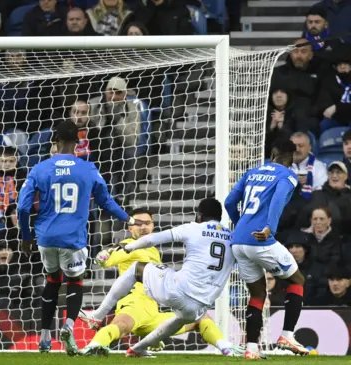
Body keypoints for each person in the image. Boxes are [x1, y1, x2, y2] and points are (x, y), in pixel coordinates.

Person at [17, 120, 135, 355]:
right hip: (73, 238)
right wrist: (128, 219)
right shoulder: (87, 168)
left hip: (46, 237)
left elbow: (22, 207)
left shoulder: (40, 169)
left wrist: (26, 236)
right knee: (75, 281)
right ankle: (69, 327)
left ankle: (44, 338)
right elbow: (105, 201)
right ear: (78, 142)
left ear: (55, 141)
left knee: (52, 281)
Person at [78, 207, 241, 357]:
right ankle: (95, 343)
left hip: (154, 311)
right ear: (130, 228)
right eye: (138, 223)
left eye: (147, 223)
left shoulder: (152, 250)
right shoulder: (129, 245)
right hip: (134, 305)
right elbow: (110, 257)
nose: (143, 227)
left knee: (201, 319)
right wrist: (103, 257)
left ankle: (223, 345)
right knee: (120, 325)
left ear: (153, 225)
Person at [224, 139, 309, 359]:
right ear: (291, 157)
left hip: (239, 241)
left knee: (258, 293)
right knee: (297, 280)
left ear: (272, 152)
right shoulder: (287, 175)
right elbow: (278, 201)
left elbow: (229, 202)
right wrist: (269, 227)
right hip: (260, 239)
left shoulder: (251, 172)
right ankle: (287, 335)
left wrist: (240, 224)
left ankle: (251, 349)